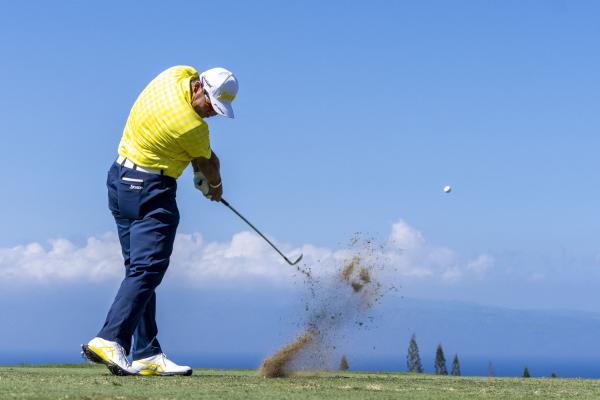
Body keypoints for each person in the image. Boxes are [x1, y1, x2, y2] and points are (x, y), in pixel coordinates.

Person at [81, 65, 238, 376]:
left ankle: (146, 353)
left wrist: (195, 173)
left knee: (138, 270)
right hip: (150, 191)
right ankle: (110, 338)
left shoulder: (176, 74)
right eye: (211, 106)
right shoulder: (193, 128)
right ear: (198, 89)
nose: (211, 114)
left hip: (119, 179)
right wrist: (215, 188)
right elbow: (209, 161)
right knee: (149, 268)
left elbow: (194, 155)